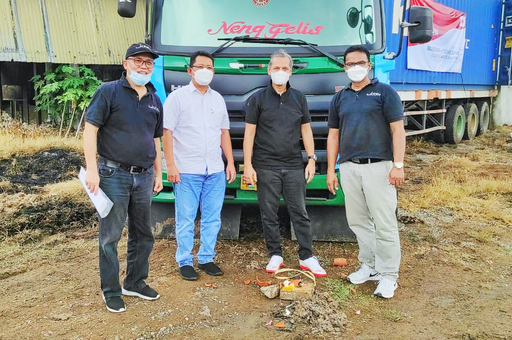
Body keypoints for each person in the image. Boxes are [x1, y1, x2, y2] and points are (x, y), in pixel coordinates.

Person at [83, 42, 164, 313]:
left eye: (149, 62)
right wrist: (92, 169)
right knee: (111, 236)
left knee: (143, 234)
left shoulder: (154, 100)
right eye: (138, 61)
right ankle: (111, 290)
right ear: (125, 63)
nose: (144, 66)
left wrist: (158, 172)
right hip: (112, 174)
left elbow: (155, 140)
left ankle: (135, 282)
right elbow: (90, 130)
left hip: (144, 177)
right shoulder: (108, 92)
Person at [326, 45, 405, 299]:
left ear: (369, 65)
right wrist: (331, 169)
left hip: (379, 167)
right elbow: (333, 136)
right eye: (350, 64)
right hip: (349, 167)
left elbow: (398, 130)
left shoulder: (385, 93)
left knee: (384, 222)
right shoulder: (340, 98)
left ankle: (389, 275)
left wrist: (398, 165)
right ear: (344, 67)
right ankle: (369, 266)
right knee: (358, 221)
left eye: (360, 63)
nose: (355, 68)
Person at [243, 49, 327, 277]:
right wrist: (248, 165)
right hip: (265, 165)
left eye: (285, 68)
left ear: (291, 72)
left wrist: (311, 159)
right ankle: (275, 254)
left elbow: (306, 130)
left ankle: (307, 256)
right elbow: (249, 134)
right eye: (276, 68)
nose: (280, 72)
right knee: (268, 212)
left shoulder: (299, 98)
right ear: (269, 70)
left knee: (299, 211)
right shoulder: (257, 99)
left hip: (293, 165)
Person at [162, 51, 236, 281]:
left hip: (214, 170)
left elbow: (224, 133)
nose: (206, 71)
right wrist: (171, 165)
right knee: (185, 217)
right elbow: (167, 133)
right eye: (201, 66)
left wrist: (230, 162)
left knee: (212, 217)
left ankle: (206, 258)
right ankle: (184, 260)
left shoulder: (218, 99)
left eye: (210, 67)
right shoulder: (177, 98)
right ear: (190, 70)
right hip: (186, 170)